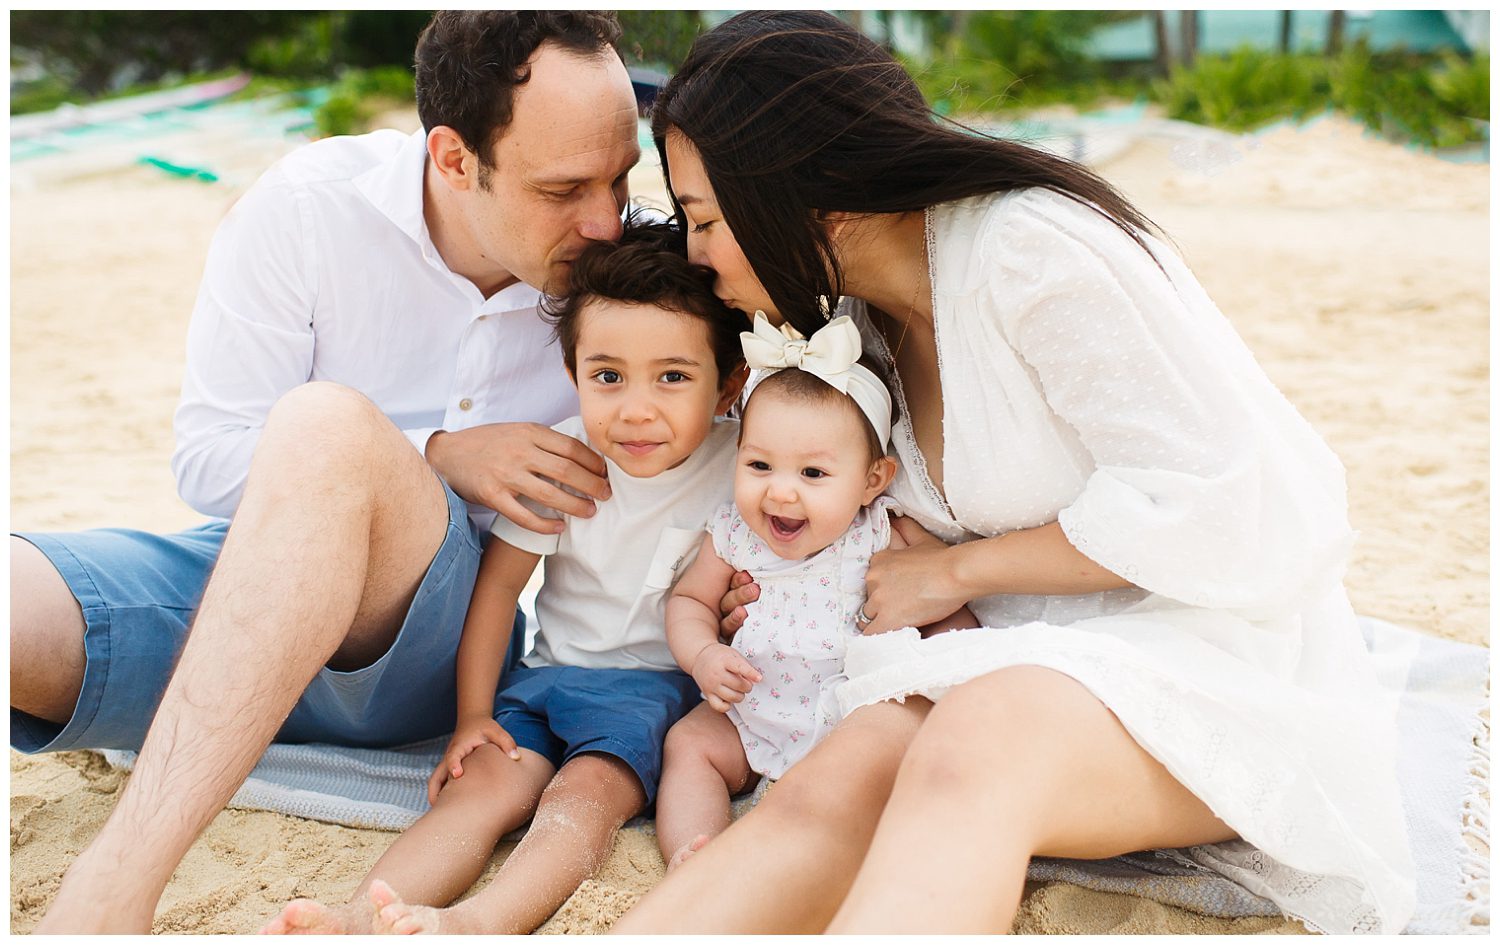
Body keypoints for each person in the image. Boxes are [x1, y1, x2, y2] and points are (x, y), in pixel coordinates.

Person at [610, 10, 1415, 935]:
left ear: (809, 192)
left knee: (972, 743)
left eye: (706, 219)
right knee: (835, 776)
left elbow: (1220, 503)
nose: (699, 252)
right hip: (989, 650)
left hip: (1198, 647)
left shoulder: (1030, 252)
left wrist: (955, 571)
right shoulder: (856, 322)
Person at [11, 12, 647, 934]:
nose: (606, 220)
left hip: (434, 649)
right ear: (454, 158)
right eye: (564, 188)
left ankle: (107, 898)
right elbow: (208, 455)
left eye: (620, 178)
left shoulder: (634, 272)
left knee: (321, 422)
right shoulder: (310, 208)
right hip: (252, 594)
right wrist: (437, 452)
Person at [261, 221, 747, 934]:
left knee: (580, 799)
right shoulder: (569, 460)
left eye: (673, 376)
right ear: (574, 373)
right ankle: (360, 914)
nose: (636, 409)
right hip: (548, 675)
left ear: (729, 384)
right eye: (607, 376)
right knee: (482, 785)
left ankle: (481, 921)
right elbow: (497, 589)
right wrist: (473, 716)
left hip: (650, 692)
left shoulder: (743, 465)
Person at [655, 315, 900, 870]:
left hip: (846, 719)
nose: (780, 490)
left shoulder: (882, 532)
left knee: (875, 778)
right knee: (689, 746)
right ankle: (693, 855)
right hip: (748, 711)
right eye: (759, 464)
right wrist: (703, 655)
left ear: (871, 480)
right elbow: (690, 602)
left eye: (813, 473)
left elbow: (942, 605)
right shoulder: (732, 535)